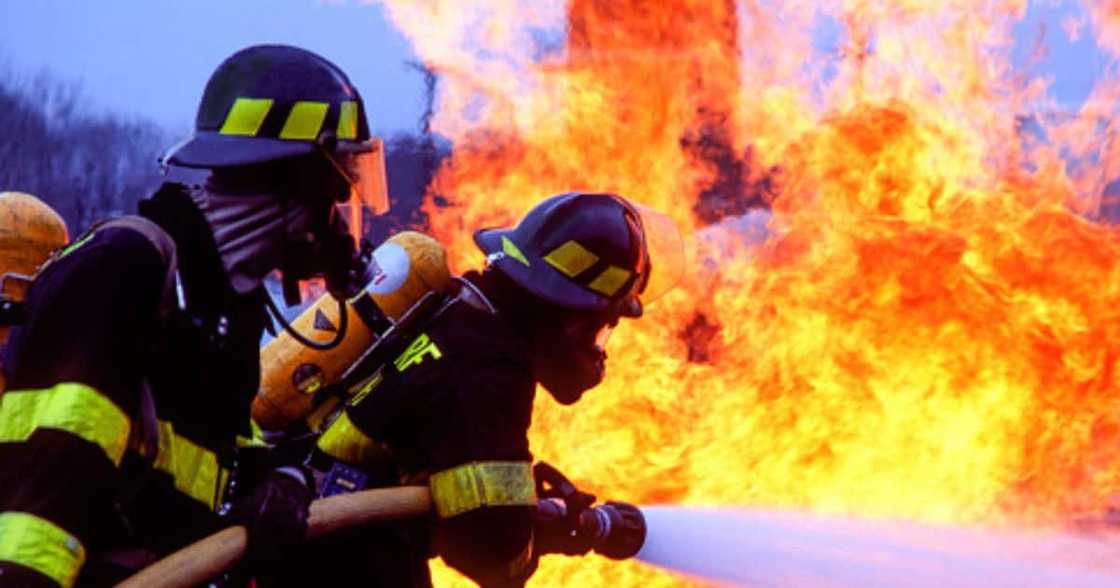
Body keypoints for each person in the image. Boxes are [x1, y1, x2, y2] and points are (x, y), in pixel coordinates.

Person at [0, 44, 389, 587]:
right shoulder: (125, 267)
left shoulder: (221, 306)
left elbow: (219, 456)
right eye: (339, 186)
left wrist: (284, 477)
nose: (341, 222)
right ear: (301, 181)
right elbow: (52, 465)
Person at [298, 191, 682, 587]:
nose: (597, 349)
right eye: (603, 327)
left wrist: (520, 506)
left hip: (315, 526)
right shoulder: (490, 371)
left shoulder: (459, 312)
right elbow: (493, 555)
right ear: (573, 315)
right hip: (337, 559)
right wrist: (546, 530)